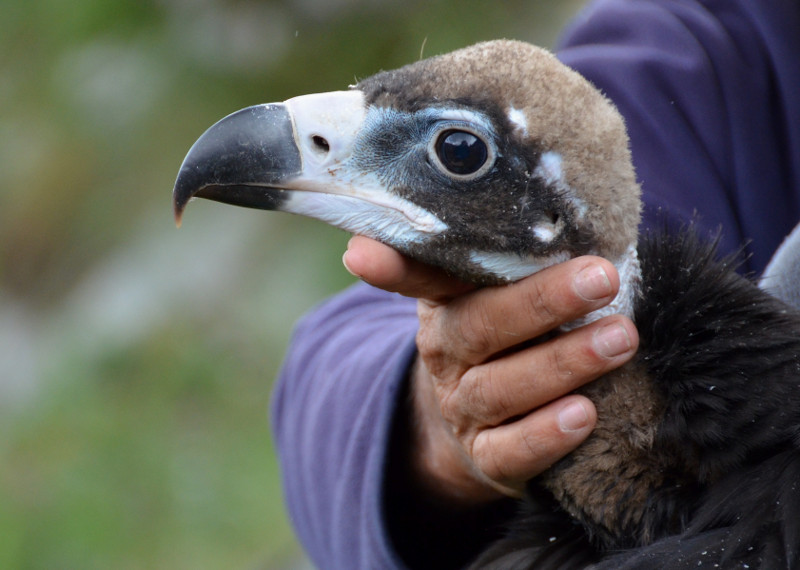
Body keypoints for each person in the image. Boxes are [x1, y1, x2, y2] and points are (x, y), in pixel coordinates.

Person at [270, 0, 800, 567]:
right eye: (460, 151)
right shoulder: (735, 42)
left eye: (459, 151)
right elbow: (327, 363)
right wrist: (449, 411)